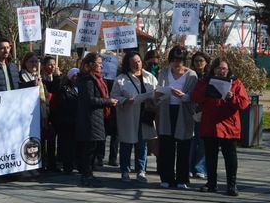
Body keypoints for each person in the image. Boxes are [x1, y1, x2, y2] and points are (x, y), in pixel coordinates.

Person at [192, 58, 250, 196]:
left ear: (228, 70)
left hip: (229, 126)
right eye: (218, 68)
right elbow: (195, 97)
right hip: (210, 125)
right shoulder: (205, 81)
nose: (221, 71)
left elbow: (244, 103)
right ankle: (211, 183)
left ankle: (232, 185)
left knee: (230, 156)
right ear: (213, 69)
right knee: (210, 156)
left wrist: (232, 98)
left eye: (224, 68)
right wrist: (207, 89)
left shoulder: (236, 83)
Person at [154, 46, 198, 189]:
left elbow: (195, 97)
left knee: (184, 146)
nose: (177, 63)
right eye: (173, 60)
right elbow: (158, 91)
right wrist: (159, 94)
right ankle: (166, 178)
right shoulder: (163, 73)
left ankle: (182, 179)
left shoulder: (191, 75)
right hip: (167, 112)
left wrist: (184, 96)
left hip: (183, 113)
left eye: (180, 60)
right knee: (167, 146)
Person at [110, 51, 157, 182]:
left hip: (145, 115)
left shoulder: (150, 77)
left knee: (142, 145)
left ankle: (141, 171)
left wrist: (154, 99)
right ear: (128, 65)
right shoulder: (121, 79)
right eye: (133, 63)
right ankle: (125, 171)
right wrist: (125, 100)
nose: (137, 64)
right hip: (129, 115)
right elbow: (114, 96)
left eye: (138, 61)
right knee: (126, 144)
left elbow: (157, 93)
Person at [75, 53, 118, 188]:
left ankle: (89, 175)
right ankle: (86, 176)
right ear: (91, 65)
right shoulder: (87, 80)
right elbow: (90, 100)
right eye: (99, 63)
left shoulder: (97, 79)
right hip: (90, 120)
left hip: (96, 119)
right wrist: (108, 102)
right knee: (89, 150)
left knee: (93, 149)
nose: (101, 65)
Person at [189, 51, 211, 180]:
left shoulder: (209, 77)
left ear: (206, 62)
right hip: (191, 110)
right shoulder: (190, 75)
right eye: (196, 61)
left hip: (205, 111)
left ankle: (200, 168)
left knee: (202, 142)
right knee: (191, 141)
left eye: (201, 61)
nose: (198, 63)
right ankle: (190, 167)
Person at [55, 68, 80, 175]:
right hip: (67, 121)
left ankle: (77, 164)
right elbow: (64, 104)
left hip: (78, 121)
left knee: (76, 145)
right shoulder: (64, 89)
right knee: (67, 145)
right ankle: (67, 166)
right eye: (75, 76)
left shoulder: (81, 88)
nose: (77, 78)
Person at [39, 55, 61, 171]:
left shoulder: (57, 78)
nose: (52, 67)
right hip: (43, 112)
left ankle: (52, 163)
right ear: (43, 66)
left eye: (54, 64)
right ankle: (42, 163)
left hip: (54, 113)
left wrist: (58, 77)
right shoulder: (40, 79)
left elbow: (57, 90)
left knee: (52, 139)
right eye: (49, 64)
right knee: (42, 138)